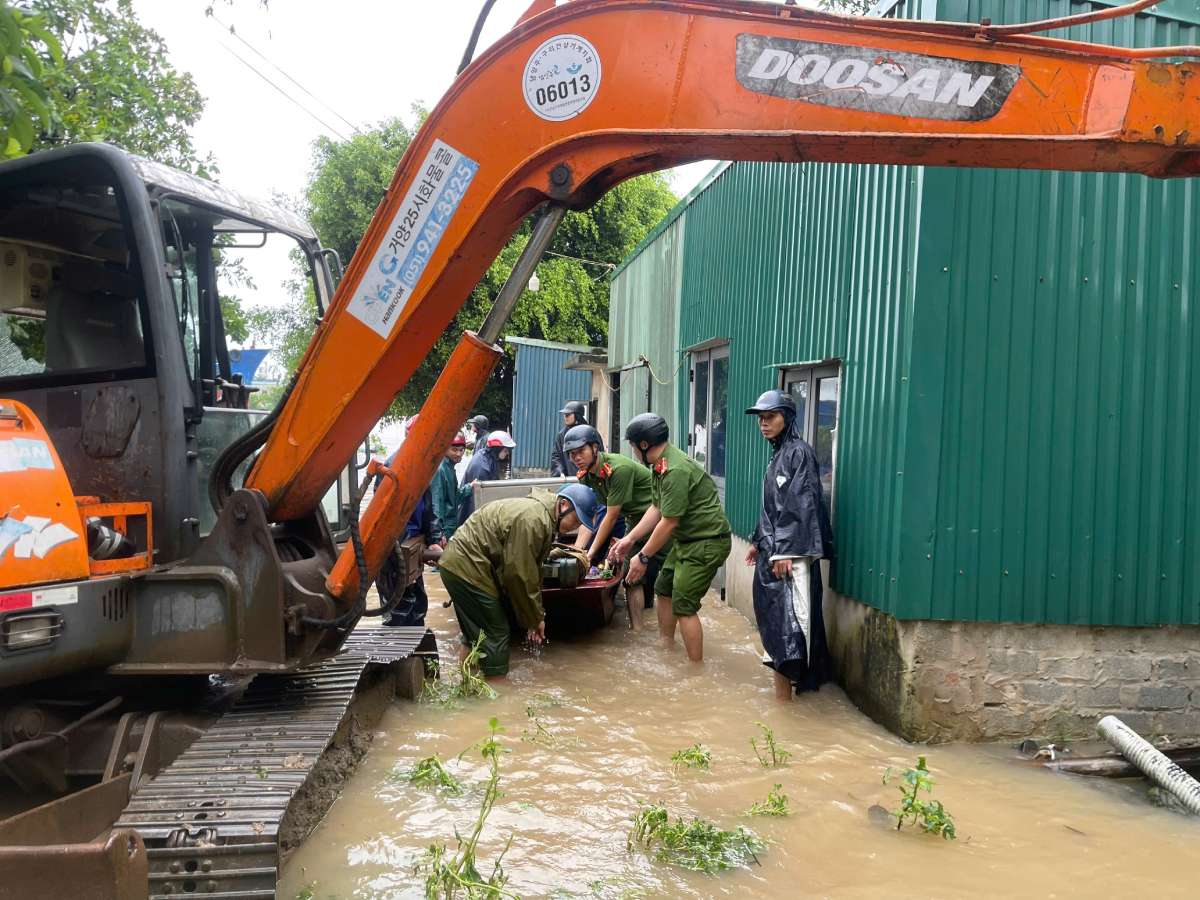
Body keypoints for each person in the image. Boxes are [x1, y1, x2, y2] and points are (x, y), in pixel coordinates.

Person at [611, 414, 730, 661]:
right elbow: (656, 508)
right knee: (664, 587)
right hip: (687, 540)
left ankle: (695, 670)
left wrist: (642, 557)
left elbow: (669, 521)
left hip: (706, 542)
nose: (632, 452)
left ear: (643, 445)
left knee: (684, 605)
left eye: (633, 446)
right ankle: (666, 646)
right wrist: (629, 540)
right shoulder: (661, 465)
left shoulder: (675, 470)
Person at [744, 390, 834, 698]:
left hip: (790, 557)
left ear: (788, 417)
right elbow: (773, 505)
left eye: (770, 417)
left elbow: (803, 504)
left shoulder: (799, 453)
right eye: (761, 419)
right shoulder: (777, 455)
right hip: (774, 553)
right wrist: (759, 540)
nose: (764, 424)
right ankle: (783, 703)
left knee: (794, 629)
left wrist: (785, 550)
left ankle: (794, 702)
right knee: (775, 624)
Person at [438, 489, 583, 678]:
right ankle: (497, 698)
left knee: (476, 632)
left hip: (459, 564)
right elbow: (518, 574)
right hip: (468, 567)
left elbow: (531, 572)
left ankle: (466, 683)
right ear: (564, 505)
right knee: (496, 634)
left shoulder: (540, 515)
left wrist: (535, 616)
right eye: (577, 519)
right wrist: (534, 618)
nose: (575, 526)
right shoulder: (535, 520)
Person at [564, 423, 660, 630]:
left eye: (581, 451)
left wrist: (589, 555)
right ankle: (638, 631)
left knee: (656, 577)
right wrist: (579, 551)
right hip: (634, 520)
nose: (577, 458)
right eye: (572, 454)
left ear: (595, 448)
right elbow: (588, 516)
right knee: (631, 577)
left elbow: (610, 514)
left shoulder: (618, 469)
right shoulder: (586, 476)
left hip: (658, 518)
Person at [458, 430, 516, 524]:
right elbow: (478, 500)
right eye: (505, 450)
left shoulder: (489, 457)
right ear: (497, 448)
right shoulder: (482, 468)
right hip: (471, 515)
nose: (507, 454)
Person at [432, 432, 469, 540]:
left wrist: (469, 488)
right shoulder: (440, 470)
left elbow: (454, 496)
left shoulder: (449, 467)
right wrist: (438, 534)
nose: (458, 454)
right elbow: (436, 504)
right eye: (454, 450)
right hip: (444, 529)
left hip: (451, 526)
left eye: (461, 450)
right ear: (445, 449)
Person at [550, 400, 589, 476]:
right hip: (569, 479)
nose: (565, 417)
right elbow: (556, 457)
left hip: (589, 478)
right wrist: (559, 472)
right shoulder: (561, 435)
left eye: (568, 415)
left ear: (577, 415)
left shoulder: (589, 432)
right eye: (564, 415)